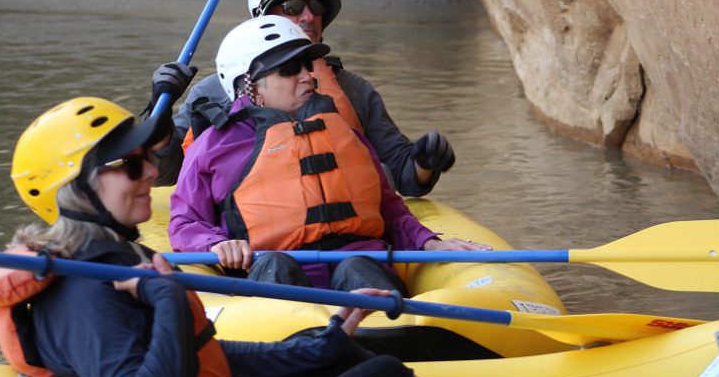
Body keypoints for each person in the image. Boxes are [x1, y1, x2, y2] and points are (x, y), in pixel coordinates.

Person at [0, 69, 423, 377]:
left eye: (146, 157)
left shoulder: (115, 261)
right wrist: (165, 294)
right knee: (383, 376)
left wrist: (324, 342)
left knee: (371, 366)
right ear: (72, 191)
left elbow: (208, 354)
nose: (148, 172)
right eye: (128, 164)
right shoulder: (83, 287)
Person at [169, 16, 488, 293]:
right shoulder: (213, 145)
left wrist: (427, 242)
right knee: (278, 267)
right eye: (290, 69)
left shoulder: (343, 132)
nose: (308, 75)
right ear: (250, 85)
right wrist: (215, 244)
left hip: (361, 267)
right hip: (273, 274)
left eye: (307, 65)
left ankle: (384, 331)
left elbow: (390, 210)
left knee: (357, 267)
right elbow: (184, 222)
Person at [160, 0, 456, 198]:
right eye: (292, 7)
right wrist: (159, 115)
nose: (308, 17)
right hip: (247, 238)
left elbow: (405, 176)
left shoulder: (353, 90)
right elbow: (167, 175)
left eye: (317, 7)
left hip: (344, 236)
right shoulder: (213, 93)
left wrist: (425, 161)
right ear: (261, 16)